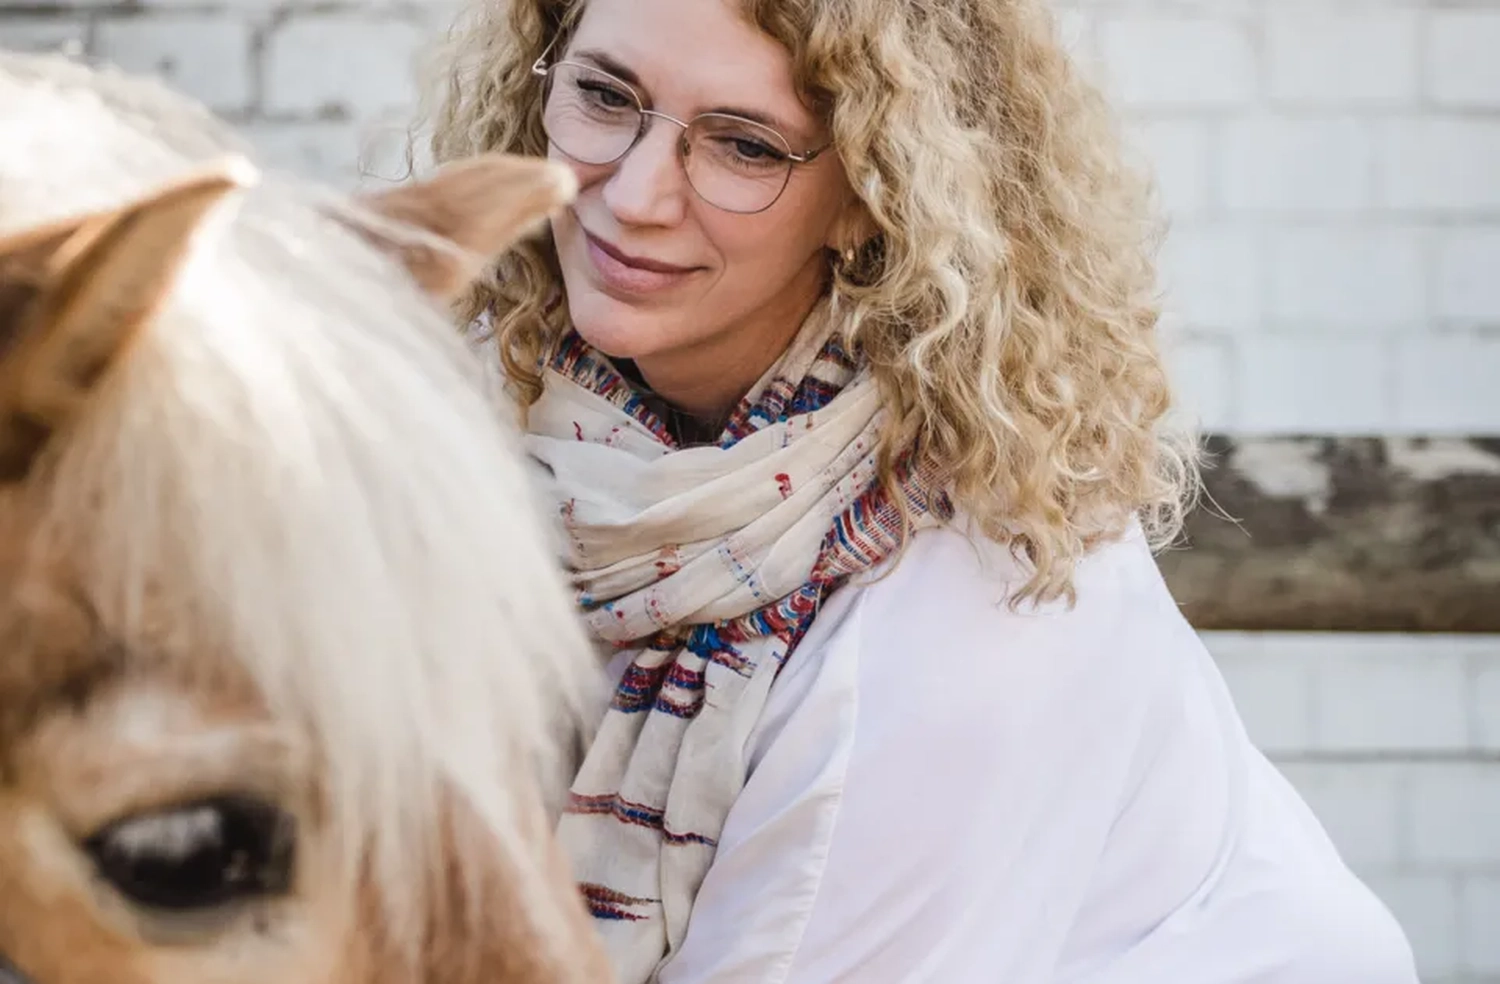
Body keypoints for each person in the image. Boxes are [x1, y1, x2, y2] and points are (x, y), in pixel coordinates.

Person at [420, 0, 1421, 980]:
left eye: (746, 148)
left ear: (869, 191)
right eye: (603, 93)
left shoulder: (964, 599)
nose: (635, 193)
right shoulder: (487, 406)